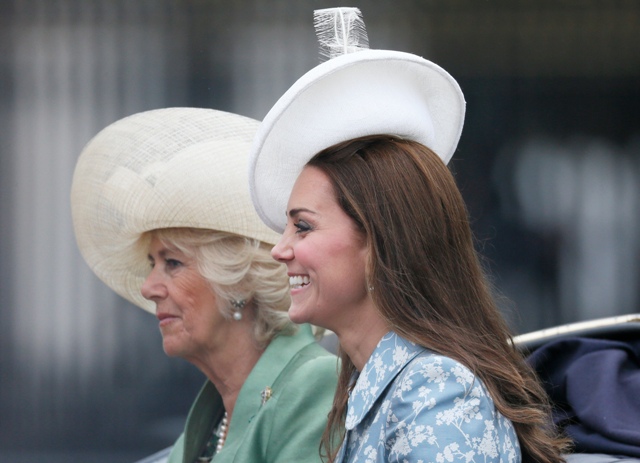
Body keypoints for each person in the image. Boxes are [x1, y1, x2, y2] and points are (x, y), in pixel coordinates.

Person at [248, 7, 571, 463]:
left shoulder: (437, 392)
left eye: (302, 226)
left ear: (378, 242)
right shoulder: (386, 385)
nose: (280, 249)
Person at [70, 107, 338, 462]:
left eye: (173, 263)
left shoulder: (312, 384)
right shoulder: (215, 416)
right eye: (154, 264)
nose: (149, 288)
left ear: (240, 280)